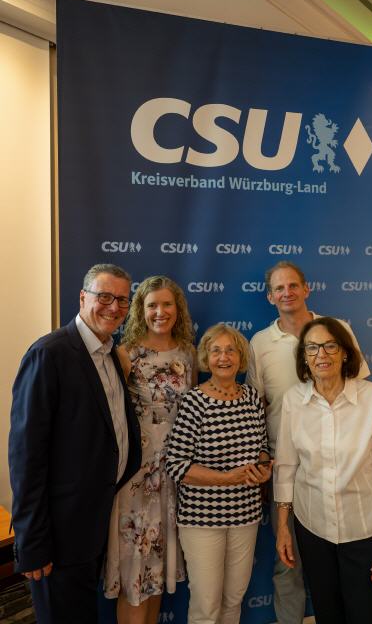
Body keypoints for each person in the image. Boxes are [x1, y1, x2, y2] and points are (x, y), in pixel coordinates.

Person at [8, 263, 142, 624]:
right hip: (58, 536)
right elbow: (26, 456)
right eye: (104, 297)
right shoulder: (49, 353)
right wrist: (32, 542)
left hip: (93, 528)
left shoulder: (111, 354)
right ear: (83, 297)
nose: (114, 307)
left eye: (122, 300)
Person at [246, 260, 370, 624]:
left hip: (343, 463)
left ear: (306, 289)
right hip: (286, 467)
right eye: (279, 288)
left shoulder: (337, 329)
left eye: (293, 285)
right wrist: (264, 459)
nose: (287, 293)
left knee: (345, 556)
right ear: (270, 297)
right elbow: (257, 405)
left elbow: (360, 391)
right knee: (288, 560)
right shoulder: (260, 343)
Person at [275, 316, 372, 624]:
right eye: (312, 348)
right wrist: (283, 526)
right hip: (314, 532)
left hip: (367, 534)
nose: (321, 354)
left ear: (346, 353)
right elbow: (286, 466)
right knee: (329, 616)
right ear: (304, 357)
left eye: (330, 346)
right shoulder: (293, 401)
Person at [104, 275, 196, 624]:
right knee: (134, 572)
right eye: (152, 305)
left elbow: (191, 414)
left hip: (175, 474)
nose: (160, 312)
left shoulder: (187, 353)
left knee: (157, 571)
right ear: (140, 311)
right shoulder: (126, 354)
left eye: (167, 304)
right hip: (137, 476)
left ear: (177, 308)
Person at [166, 323, 272, 624]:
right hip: (202, 520)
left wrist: (263, 468)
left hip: (246, 516)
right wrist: (227, 479)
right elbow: (176, 464)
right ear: (206, 357)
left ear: (241, 357)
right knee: (206, 604)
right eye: (216, 351)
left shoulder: (252, 397)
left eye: (230, 351)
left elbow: (262, 448)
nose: (224, 357)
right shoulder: (194, 401)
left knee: (233, 598)